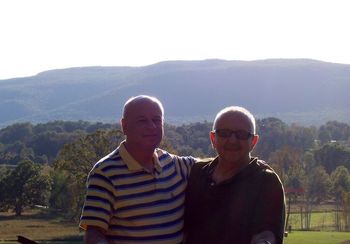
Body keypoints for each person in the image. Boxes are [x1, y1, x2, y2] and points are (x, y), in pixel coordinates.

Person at [80, 95, 196, 244]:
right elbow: (94, 235)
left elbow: (221, 164)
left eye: (156, 120)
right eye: (142, 121)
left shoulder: (176, 166)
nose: (151, 126)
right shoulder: (105, 173)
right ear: (124, 126)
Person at [184, 106, 285, 244]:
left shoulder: (266, 181)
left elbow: (267, 232)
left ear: (253, 142)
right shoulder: (197, 171)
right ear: (213, 138)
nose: (232, 140)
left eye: (242, 134)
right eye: (224, 133)